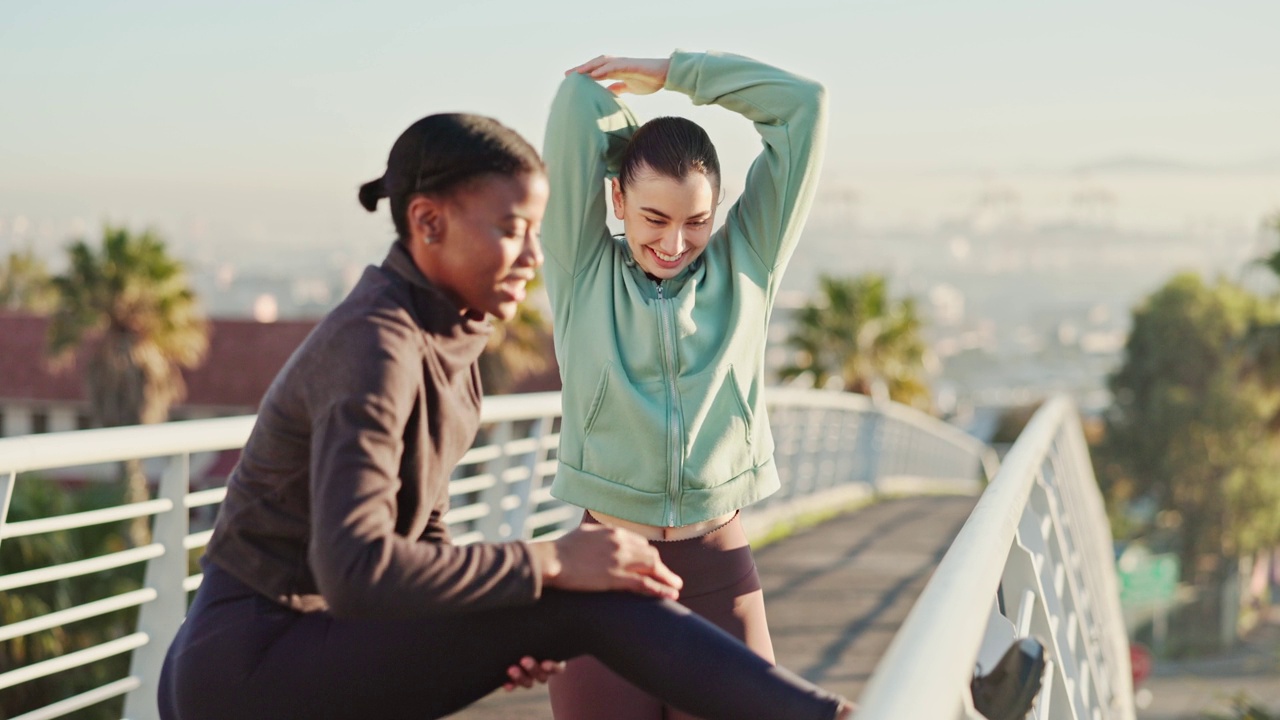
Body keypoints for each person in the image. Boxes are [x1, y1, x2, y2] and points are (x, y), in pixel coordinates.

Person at [156, 112, 853, 720]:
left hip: (321, 643)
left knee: (573, 602)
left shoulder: (448, 341)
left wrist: (503, 626)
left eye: (535, 230)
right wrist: (550, 562)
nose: (532, 255)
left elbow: (420, 538)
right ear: (428, 222)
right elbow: (355, 568)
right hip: (254, 661)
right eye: (510, 229)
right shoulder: (376, 347)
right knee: (588, 596)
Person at [540, 50, 828, 719]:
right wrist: (632, 125)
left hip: (718, 573)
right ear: (616, 197)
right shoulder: (583, 270)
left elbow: (804, 106)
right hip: (602, 577)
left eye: (696, 221)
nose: (675, 242)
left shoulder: (750, 259)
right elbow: (576, 106)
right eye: (654, 218)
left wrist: (674, 73)